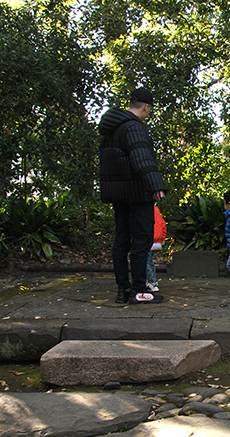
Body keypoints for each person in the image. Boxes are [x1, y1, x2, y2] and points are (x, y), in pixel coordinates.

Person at [98, 87, 167, 304]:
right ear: (146, 107)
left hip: (118, 195)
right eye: (149, 110)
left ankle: (123, 291)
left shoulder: (111, 128)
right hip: (137, 194)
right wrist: (156, 187)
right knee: (141, 241)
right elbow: (142, 158)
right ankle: (139, 291)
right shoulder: (134, 127)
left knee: (121, 241)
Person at [145, 205, 167, 293]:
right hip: (157, 239)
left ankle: (152, 282)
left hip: (149, 239)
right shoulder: (156, 209)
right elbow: (162, 223)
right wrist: (163, 237)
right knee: (150, 261)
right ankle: (151, 281)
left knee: (146, 261)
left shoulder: (143, 209)